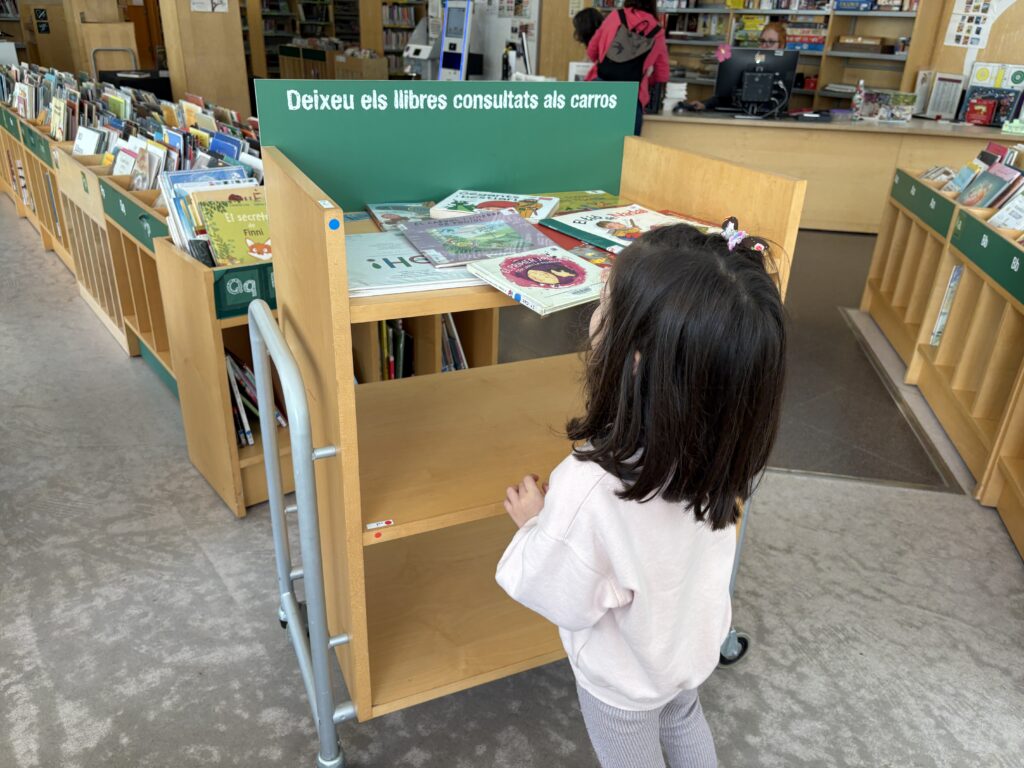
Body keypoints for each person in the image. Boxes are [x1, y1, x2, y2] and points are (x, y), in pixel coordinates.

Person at [495, 223, 787, 768]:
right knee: (683, 718)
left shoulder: (590, 487)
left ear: (634, 358)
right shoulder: (721, 457)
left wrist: (535, 522)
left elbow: (554, 592)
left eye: (605, 304)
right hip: (686, 649)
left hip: (624, 681)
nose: (594, 315)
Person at [585, 0, 670, 135]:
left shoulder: (615, 16)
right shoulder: (657, 31)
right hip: (631, 97)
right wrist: (647, 80)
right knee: (628, 145)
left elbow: (591, 51)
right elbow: (662, 74)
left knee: (591, 138)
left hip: (600, 89)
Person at [686, 22, 789, 112]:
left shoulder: (785, 69)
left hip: (771, 120)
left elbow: (782, 103)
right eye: (762, 41)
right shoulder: (749, 64)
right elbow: (725, 94)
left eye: (771, 42)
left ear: (781, 46)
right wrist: (705, 104)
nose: (765, 45)